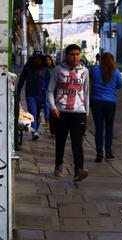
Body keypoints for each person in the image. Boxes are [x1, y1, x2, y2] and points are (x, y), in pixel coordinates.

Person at [47, 44, 90, 182]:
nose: (75, 57)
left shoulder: (85, 71)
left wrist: (86, 111)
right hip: (62, 112)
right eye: (72, 54)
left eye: (77, 54)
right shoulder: (58, 70)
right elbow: (49, 90)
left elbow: (86, 92)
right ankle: (58, 165)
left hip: (78, 112)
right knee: (60, 141)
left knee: (77, 142)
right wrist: (53, 107)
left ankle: (78, 170)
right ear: (67, 56)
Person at [89, 52, 122, 162]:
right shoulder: (116, 71)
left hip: (96, 102)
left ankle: (99, 153)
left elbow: (91, 82)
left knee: (99, 128)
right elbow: (119, 85)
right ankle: (108, 152)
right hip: (110, 103)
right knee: (109, 127)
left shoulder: (95, 70)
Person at [16, 50, 50, 140]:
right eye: (36, 59)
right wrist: (18, 92)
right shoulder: (27, 68)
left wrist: (48, 95)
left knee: (38, 114)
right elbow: (21, 81)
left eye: (39, 59)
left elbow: (49, 83)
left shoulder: (45, 70)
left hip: (41, 95)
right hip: (30, 95)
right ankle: (34, 131)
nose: (37, 61)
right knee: (33, 112)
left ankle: (35, 129)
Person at [44, 54, 55, 136]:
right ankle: (47, 119)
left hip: (53, 90)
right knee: (47, 105)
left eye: (49, 60)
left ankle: (49, 120)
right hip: (45, 89)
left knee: (50, 106)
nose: (48, 61)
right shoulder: (43, 69)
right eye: (46, 60)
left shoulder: (54, 69)